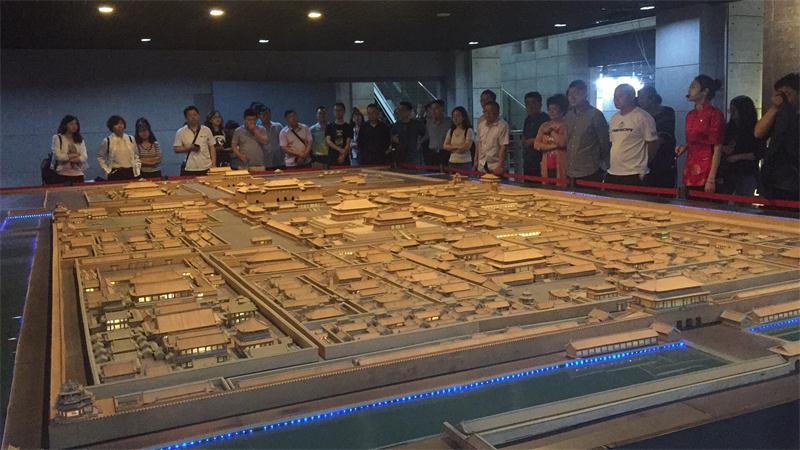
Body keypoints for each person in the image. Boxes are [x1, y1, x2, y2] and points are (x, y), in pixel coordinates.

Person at [675, 75, 724, 192]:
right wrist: (685, 147)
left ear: (704, 92)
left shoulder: (715, 114)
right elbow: (694, 140)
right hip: (691, 164)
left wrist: (711, 178)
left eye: (693, 87)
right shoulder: (690, 115)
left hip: (707, 166)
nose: (689, 89)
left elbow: (717, 146)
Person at [756, 72, 800, 201]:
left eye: (787, 94)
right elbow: (758, 133)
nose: (784, 98)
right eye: (780, 94)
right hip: (774, 177)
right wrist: (775, 107)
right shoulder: (779, 114)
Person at [606, 84, 658, 186]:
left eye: (620, 96)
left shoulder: (643, 117)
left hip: (634, 173)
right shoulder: (614, 118)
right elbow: (613, 143)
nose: (616, 99)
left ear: (632, 97)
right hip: (614, 171)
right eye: (614, 96)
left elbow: (653, 144)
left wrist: (643, 164)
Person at [717, 96, 763, 197]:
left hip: (746, 171)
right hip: (728, 171)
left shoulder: (755, 129)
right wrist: (724, 149)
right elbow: (720, 145)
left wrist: (738, 157)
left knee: (744, 200)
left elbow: (758, 152)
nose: (732, 113)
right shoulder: (729, 128)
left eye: (735, 110)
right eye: (731, 110)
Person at [565, 79, 610, 184]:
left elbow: (604, 142)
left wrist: (604, 165)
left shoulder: (595, 114)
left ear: (585, 94)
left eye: (576, 93)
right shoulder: (568, 115)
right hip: (571, 169)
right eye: (570, 94)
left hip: (590, 169)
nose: (572, 97)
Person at [637, 85, 677, 188]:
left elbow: (663, 136)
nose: (639, 101)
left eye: (642, 98)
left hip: (663, 161)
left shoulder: (666, 113)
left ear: (651, 99)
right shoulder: (639, 116)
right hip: (643, 161)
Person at [533, 94, 569, 183]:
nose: (551, 112)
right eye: (549, 109)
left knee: (561, 186)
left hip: (561, 164)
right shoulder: (544, 125)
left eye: (554, 109)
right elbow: (536, 144)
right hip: (547, 163)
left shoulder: (567, 125)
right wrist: (554, 146)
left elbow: (563, 143)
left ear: (562, 110)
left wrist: (551, 131)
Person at [174, 105, 217, 176]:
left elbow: (212, 147)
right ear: (186, 118)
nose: (193, 117)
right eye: (190, 115)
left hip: (206, 166)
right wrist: (188, 147)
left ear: (198, 116)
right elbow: (176, 149)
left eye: (195, 114)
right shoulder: (180, 132)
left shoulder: (206, 130)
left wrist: (214, 164)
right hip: (190, 167)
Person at [98, 115, 140, 181]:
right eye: (116, 124)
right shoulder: (107, 140)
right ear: (112, 127)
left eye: (121, 123)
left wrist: (137, 169)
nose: (120, 126)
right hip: (115, 172)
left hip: (130, 171)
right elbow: (100, 157)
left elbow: (136, 155)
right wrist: (107, 170)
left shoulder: (131, 138)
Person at [50, 115, 88, 184]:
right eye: (71, 124)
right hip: (62, 174)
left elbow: (84, 157)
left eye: (76, 124)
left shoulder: (80, 139)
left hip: (78, 173)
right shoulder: (57, 138)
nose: (74, 126)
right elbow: (58, 156)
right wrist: (75, 155)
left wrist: (70, 158)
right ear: (65, 125)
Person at [475, 101, 509, 176]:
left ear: (497, 113)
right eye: (485, 112)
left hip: (495, 165)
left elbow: (503, 147)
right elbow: (479, 144)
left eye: (489, 112)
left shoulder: (503, 125)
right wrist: (475, 161)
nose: (486, 114)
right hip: (482, 164)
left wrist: (500, 166)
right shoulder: (481, 125)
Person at [522, 91, 551, 177]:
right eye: (527, 103)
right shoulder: (527, 119)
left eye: (533, 103)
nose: (530, 106)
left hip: (541, 160)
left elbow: (550, 139)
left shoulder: (546, 119)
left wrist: (533, 141)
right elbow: (525, 135)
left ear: (540, 104)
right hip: (528, 161)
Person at [391, 101, 426, 166]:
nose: (399, 112)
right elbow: (392, 137)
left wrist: (420, 141)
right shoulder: (396, 125)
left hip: (414, 156)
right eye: (398, 110)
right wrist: (394, 139)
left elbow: (426, 135)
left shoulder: (417, 124)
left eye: (402, 110)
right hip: (400, 155)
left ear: (409, 112)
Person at [442, 106, 474, 172]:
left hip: (465, 162)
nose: (455, 118)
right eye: (453, 116)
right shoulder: (451, 130)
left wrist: (452, 148)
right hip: (452, 161)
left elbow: (466, 147)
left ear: (463, 117)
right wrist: (458, 147)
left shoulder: (469, 130)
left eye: (458, 116)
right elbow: (445, 146)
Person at [423, 99, 452, 171]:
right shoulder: (429, 122)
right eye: (431, 109)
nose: (433, 111)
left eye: (436, 108)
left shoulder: (449, 122)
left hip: (444, 153)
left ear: (442, 109)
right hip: (431, 154)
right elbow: (427, 136)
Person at [326, 102, 353, 166]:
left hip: (345, 157)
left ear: (344, 111)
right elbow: (328, 141)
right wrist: (340, 150)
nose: (337, 112)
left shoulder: (348, 126)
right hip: (332, 157)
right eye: (335, 110)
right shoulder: (329, 126)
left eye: (339, 110)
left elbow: (348, 143)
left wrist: (343, 155)